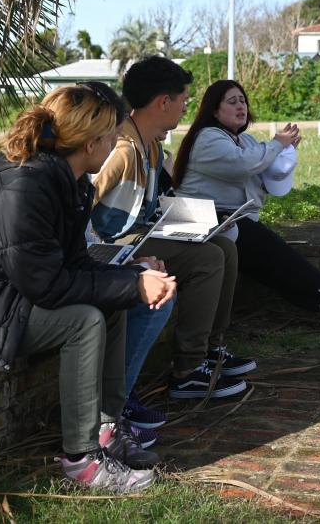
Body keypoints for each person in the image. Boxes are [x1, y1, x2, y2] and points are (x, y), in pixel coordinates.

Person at [0, 83, 177, 492]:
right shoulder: (25, 186)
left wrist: (130, 274)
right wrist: (132, 286)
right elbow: (47, 286)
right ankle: (82, 461)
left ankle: (104, 428)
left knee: (112, 301)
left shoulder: (69, 181)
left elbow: (73, 264)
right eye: (112, 136)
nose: (117, 142)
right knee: (83, 320)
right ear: (90, 141)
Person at [91, 56, 252, 405]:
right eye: (182, 101)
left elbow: (145, 208)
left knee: (223, 244)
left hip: (140, 236)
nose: (184, 110)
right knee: (208, 257)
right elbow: (88, 220)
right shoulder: (122, 150)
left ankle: (211, 349)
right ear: (163, 102)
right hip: (115, 248)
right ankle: (188, 369)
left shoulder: (149, 145)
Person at [172, 79, 320, 330]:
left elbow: (261, 182)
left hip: (228, 222)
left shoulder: (246, 141)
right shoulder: (208, 138)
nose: (241, 106)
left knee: (269, 267)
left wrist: (282, 156)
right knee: (263, 245)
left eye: (243, 101)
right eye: (232, 102)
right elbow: (244, 164)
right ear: (214, 110)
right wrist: (276, 144)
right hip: (202, 223)